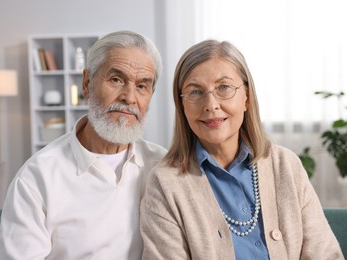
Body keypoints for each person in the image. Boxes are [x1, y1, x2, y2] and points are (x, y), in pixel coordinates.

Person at [140, 39, 344, 259]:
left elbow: (325, 255)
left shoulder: (287, 165)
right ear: (182, 105)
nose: (211, 104)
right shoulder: (164, 183)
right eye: (195, 92)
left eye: (224, 88)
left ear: (246, 97)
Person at [0, 30, 166, 259]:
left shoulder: (162, 166)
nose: (130, 97)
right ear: (87, 83)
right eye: (116, 79)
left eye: (142, 86)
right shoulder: (37, 177)